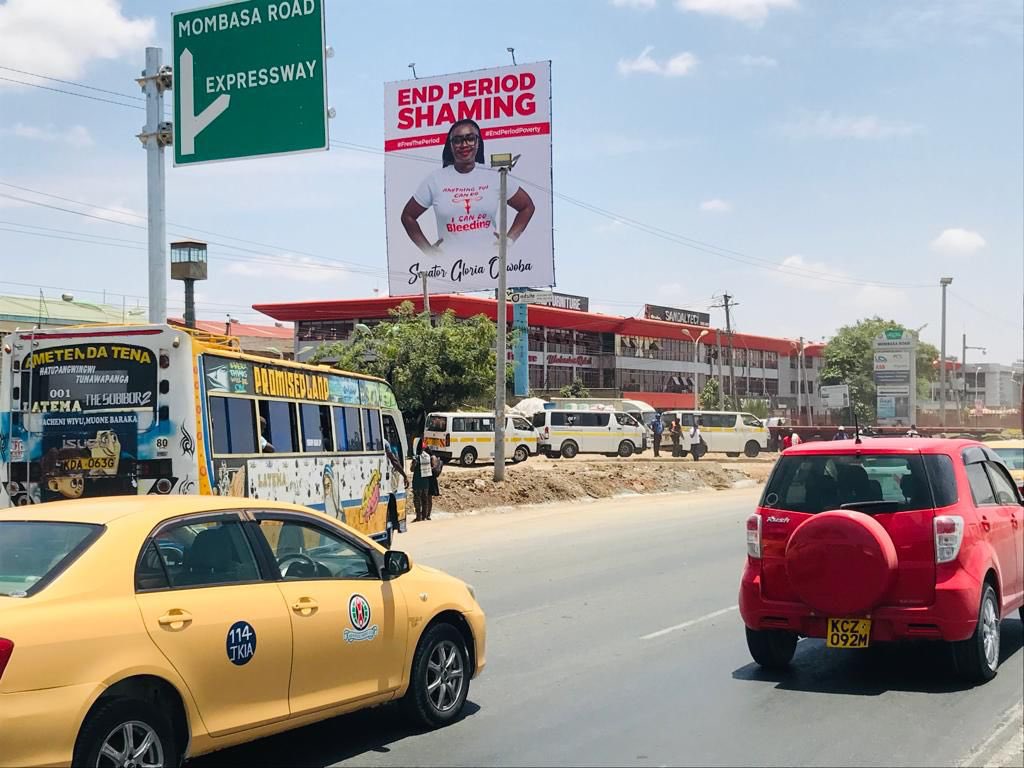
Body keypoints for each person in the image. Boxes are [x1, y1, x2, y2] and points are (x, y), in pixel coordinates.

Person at [400, 119, 536, 265]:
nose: (464, 145)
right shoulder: (435, 179)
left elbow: (526, 207)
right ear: (450, 146)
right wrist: (428, 251)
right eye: (457, 140)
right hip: (450, 268)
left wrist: (508, 241)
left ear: (478, 142)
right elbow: (408, 216)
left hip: (491, 266)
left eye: (470, 138)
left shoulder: (493, 175)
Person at [410, 438, 434, 522]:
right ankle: (424, 516)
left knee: (417, 500)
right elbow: (432, 466)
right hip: (426, 482)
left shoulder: (416, 458)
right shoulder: (428, 457)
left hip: (417, 482)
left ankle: (418, 517)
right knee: (425, 500)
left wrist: (414, 463)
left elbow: (412, 469)